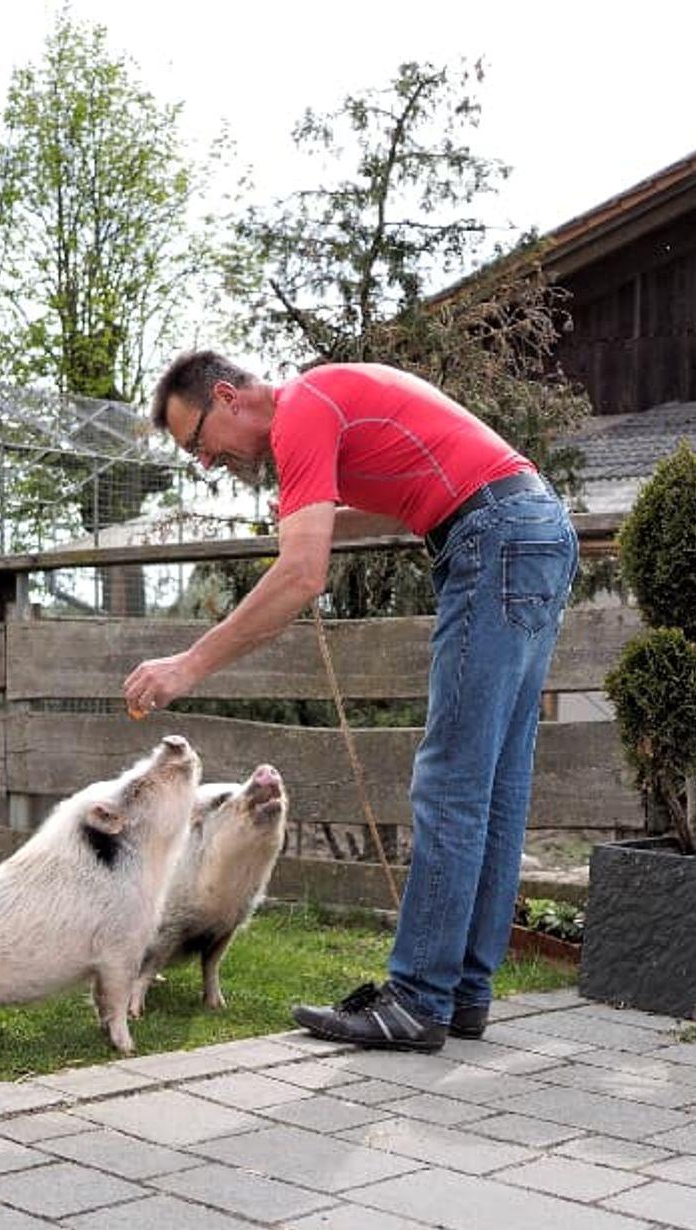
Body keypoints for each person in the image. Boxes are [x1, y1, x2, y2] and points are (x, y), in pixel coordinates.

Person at [124, 351, 577, 1052]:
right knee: (493, 783)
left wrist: (187, 665)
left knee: (452, 782)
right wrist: (312, 518)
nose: (206, 462)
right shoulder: (318, 409)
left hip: (496, 539)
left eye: (198, 442)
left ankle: (417, 1000)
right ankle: (460, 994)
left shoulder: (302, 410)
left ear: (228, 397)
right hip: (529, 530)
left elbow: (302, 575)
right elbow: (388, 506)